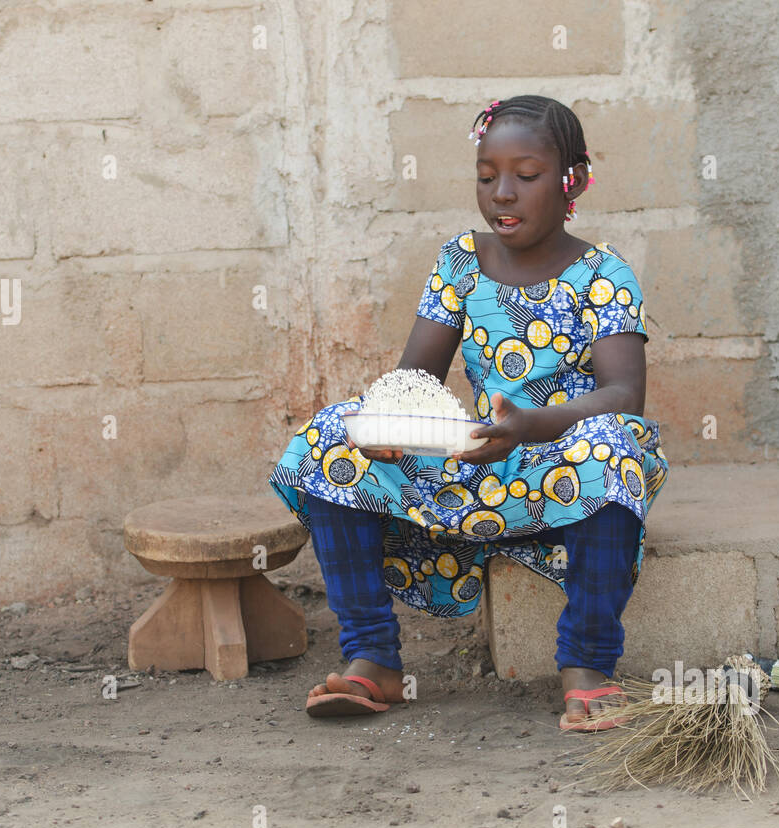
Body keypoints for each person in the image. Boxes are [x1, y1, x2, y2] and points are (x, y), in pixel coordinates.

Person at [268, 95, 668, 731]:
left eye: (526, 176)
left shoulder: (604, 274)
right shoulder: (460, 261)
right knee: (330, 436)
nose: (502, 194)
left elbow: (623, 395)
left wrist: (531, 426)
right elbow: (415, 380)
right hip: (482, 463)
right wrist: (390, 431)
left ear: (574, 181)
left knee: (614, 446)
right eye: (487, 177)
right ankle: (372, 655)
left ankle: (588, 666)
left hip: (563, 467)